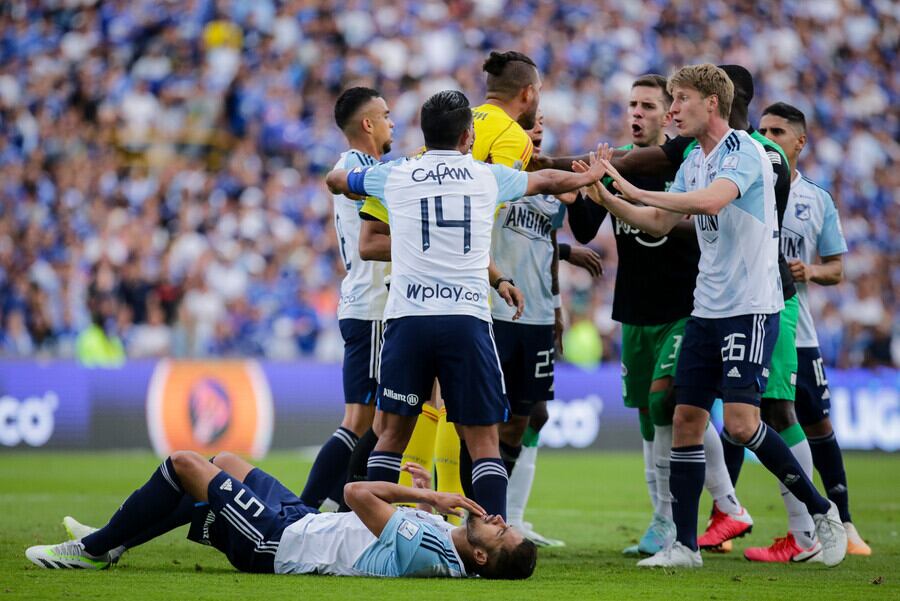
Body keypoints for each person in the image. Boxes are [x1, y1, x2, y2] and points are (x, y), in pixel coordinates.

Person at [586, 64, 846, 568]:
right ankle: (684, 547)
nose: (673, 108)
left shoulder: (747, 152)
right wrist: (606, 198)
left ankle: (821, 513)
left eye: (680, 99)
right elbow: (661, 222)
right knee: (686, 418)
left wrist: (633, 188)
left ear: (711, 104)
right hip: (706, 307)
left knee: (744, 425)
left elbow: (711, 201)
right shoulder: (694, 160)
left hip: (750, 306)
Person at [325, 90, 609, 519]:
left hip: (409, 320)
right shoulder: (486, 176)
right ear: (468, 135)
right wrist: (592, 175)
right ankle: (491, 538)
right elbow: (548, 181)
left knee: (390, 435)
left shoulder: (397, 173)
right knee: (483, 442)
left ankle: (373, 534)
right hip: (466, 320)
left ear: (424, 133)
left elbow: (338, 182)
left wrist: (343, 181)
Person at [570, 74, 749, 557]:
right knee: (652, 423)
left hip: (685, 307)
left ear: (670, 112)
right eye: (632, 104)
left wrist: (619, 187)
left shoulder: (685, 162)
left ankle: (724, 504)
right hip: (635, 310)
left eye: (648, 105)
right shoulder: (617, 165)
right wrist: (580, 189)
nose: (637, 113)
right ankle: (662, 520)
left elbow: (697, 221)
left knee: (667, 405)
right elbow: (587, 229)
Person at [26, 451, 536, 579]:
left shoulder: (425, 549)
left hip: (278, 543)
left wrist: (424, 498)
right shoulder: (449, 544)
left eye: (499, 532)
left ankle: (93, 552)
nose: (497, 520)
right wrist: (423, 495)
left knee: (186, 465)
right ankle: (115, 539)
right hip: (301, 519)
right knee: (221, 464)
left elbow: (356, 491)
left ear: (481, 558)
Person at [751, 101, 871, 560]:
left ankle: (842, 523)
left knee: (814, 423)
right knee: (752, 418)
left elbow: (837, 269)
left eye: (777, 132)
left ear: (800, 141)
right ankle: (798, 531)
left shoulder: (817, 199)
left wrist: (810, 271)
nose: (766, 138)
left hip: (798, 327)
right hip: (757, 320)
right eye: (760, 130)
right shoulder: (743, 186)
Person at [490, 109, 598, 546]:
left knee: (527, 416)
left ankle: (508, 516)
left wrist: (555, 306)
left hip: (536, 316)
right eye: (527, 131)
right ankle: (485, 512)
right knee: (489, 418)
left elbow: (549, 245)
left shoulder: (552, 190)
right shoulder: (496, 176)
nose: (535, 138)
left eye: (539, 132)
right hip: (496, 310)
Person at [297, 87, 394, 511]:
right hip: (372, 303)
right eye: (386, 116)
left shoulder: (366, 166)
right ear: (368, 124)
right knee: (360, 420)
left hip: (370, 302)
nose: (393, 122)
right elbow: (360, 219)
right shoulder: (355, 166)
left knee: (373, 418)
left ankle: (337, 503)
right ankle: (305, 506)